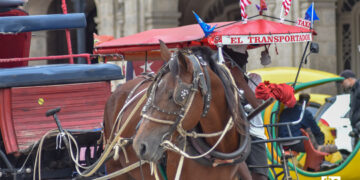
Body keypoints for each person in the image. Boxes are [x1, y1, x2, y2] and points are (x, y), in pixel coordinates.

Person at [223, 46, 268, 180]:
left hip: (254, 133)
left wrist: (241, 82)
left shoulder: (255, 79)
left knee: (260, 176)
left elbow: (257, 105)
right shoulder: (222, 82)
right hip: (232, 134)